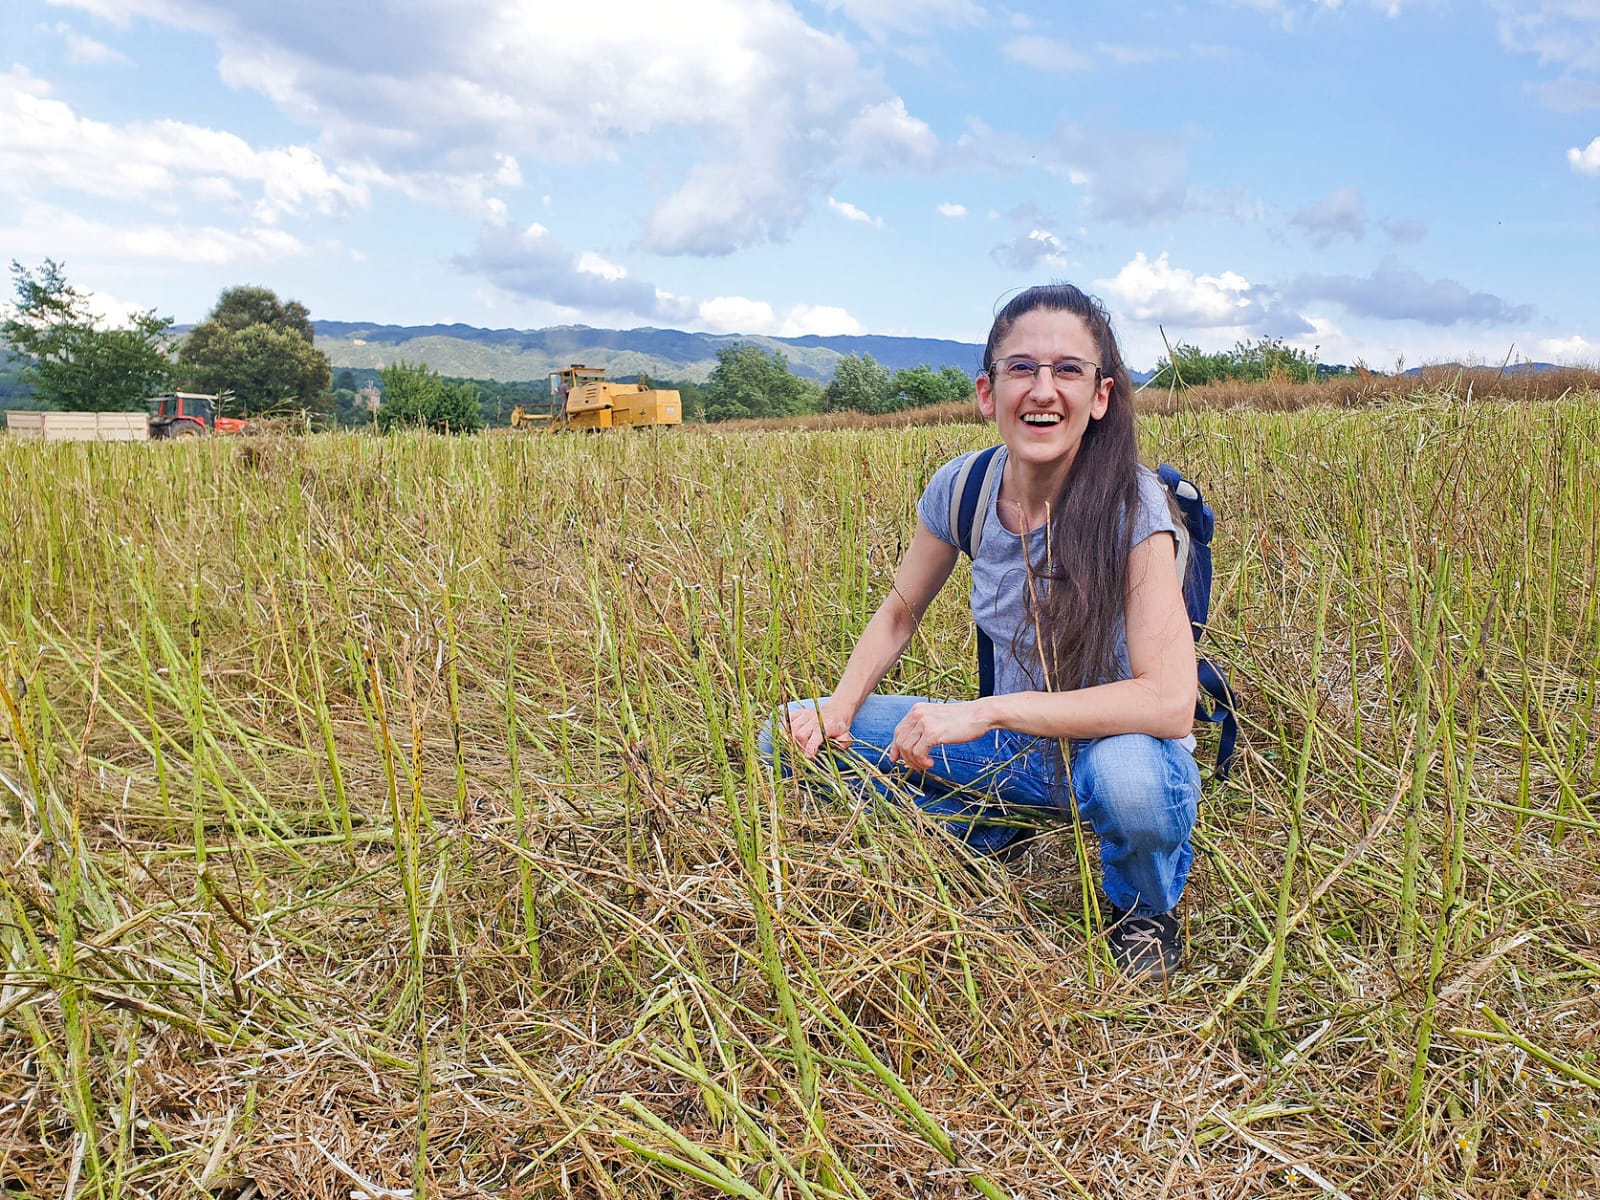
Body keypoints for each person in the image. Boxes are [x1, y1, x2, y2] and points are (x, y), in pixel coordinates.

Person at [765, 283, 1202, 982]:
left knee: (1130, 786)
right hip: (1009, 754)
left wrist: (986, 709)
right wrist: (840, 707)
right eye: (1021, 368)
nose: (1043, 389)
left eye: (1068, 370)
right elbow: (900, 612)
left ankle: (1142, 908)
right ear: (986, 392)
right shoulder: (962, 487)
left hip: (1114, 746)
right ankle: (989, 828)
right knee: (785, 735)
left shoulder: (1133, 504)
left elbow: (1167, 702)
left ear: (1100, 396)